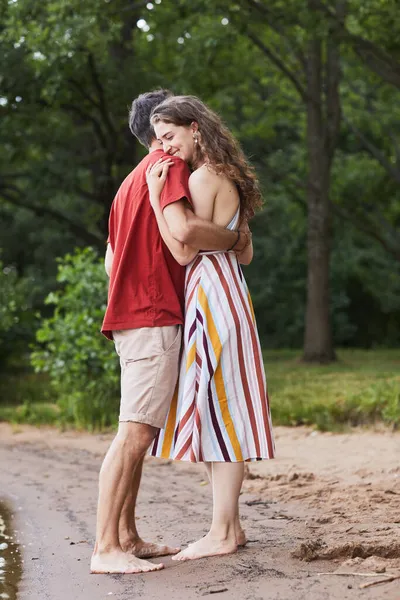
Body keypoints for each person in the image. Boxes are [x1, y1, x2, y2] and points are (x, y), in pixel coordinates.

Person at [91, 90, 250, 575]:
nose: (171, 142)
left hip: (128, 316)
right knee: (135, 433)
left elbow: (110, 260)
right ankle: (106, 549)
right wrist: (232, 238)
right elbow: (184, 237)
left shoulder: (127, 183)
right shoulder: (172, 169)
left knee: (137, 431)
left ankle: (127, 536)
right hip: (154, 313)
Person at [145, 95, 275, 562]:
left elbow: (183, 249)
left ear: (195, 129)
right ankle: (231, 527)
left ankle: (221, 531)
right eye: (158, 140)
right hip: (230, 290)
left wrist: (160, 200)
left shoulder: (201, 178)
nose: (164, 148)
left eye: (170, 136)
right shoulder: (227, 175)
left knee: (220, 407)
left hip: (210, 296)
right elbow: (246, 253)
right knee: (222, 404)